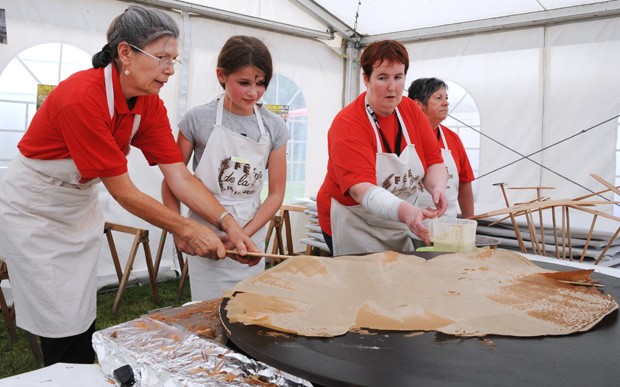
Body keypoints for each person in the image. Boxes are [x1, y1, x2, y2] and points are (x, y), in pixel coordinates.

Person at [0, 5, 259, 367]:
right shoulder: (81, 98)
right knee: (59, 314)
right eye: (162, 58)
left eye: (174, 60)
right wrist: (186, 227)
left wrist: (227, 223)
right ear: (125, 52)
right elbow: (123, 191)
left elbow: (179, 175)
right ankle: (63, 371)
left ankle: (74, 366)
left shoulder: (148, 104)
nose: (170, 69)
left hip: (76, 203)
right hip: (35, 206)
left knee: (77, 303)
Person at [162, 35, 289, 301]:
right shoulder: (198, 119)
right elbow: (172, 180)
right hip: (205, 232)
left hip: (252, 230)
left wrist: (243, 234)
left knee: (247, 311)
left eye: (261, 83)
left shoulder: (274, 127)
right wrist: (179, 229)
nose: (253, 92)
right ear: (221, 75)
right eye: (243, 83)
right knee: (207, 311)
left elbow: (276, 193)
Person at [316, 40, 448, 257]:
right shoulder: (349, 124)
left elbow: (434, 160)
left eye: (398, 77)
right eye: (383, 78)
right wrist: (406, 212)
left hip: (400, 220)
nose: (392, 87)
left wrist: (437, 188)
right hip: (356, 222)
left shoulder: (410, 112)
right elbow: (360, 190)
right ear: (366, 78)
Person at [408, 78, 475, 218]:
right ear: (418, 104)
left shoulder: (452, 139)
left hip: (447, 225)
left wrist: (469, 223)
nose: (446, 102)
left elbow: (465, 185)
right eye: (438, 98)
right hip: (411, 225)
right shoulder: (404, 138)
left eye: (446, 98)